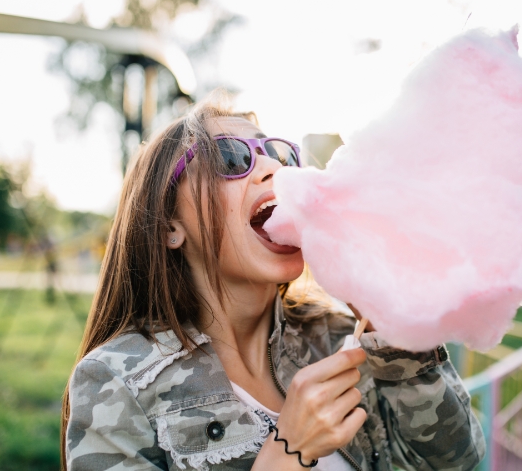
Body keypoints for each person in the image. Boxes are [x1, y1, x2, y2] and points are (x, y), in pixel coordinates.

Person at [62, 95, 486, 471]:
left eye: (281, 157)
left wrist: (392, 326)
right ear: (171, 226)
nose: (272, 169)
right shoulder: (116, 382)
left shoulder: (339, 336)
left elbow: (457, 459)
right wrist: (289, 452)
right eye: (229, 158)